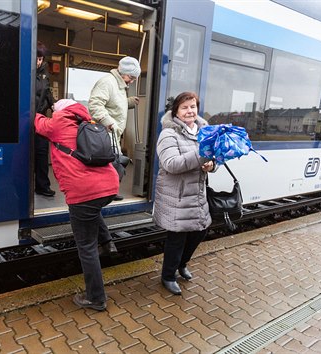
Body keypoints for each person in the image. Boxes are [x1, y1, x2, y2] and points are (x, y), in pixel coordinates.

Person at [35, 98, 119, 310]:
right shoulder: (88, 122)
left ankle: (96, 298)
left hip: (84, 192)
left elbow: (37, 123)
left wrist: (33, 109)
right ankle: (107, 241)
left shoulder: (59, 121)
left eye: (54, 109)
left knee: (86, 247)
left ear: (60, 110)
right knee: (92, 211)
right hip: (110, 185)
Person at [152, 92, 215, 296]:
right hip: (177, 196)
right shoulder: (168, 134)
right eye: (185, 107)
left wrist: (212, 165)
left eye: (193, 106)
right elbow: (171, 164)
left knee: (199, 231)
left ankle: (182, 264)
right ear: (176, 112)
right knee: (177, 237)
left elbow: (213, 159)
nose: (190, 111)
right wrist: (201, 155)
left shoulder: (204, 131)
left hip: (197, 194)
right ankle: (168, 276)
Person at [88, 56, 141, 201]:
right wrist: (109, 122)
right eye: (132, 76)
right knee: (112, 165)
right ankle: (103, 194)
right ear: (123, 72)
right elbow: (95, 105)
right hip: (106, 133)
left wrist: (129, 102)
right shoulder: (107, 82)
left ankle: (108, 192)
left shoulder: (120, 85)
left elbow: (114, 103)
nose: (133, 80)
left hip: (114, 133)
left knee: (114, 164)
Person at [34, 41, 55, 197]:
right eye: (36, 58)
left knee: (41, 153)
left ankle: (42, 186)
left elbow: (47, 93)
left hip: (40, 119)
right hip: (24, 119)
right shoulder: (22, 70)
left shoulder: (44, 74)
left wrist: (54, 105)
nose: (38, 61)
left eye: (41, 58)